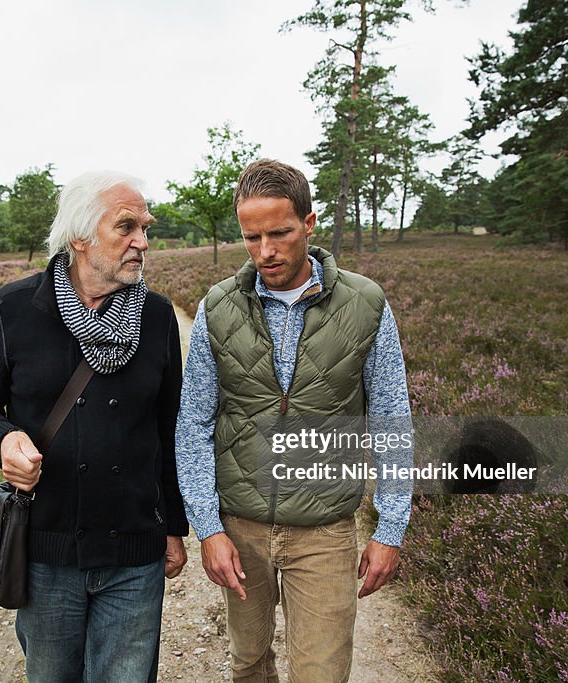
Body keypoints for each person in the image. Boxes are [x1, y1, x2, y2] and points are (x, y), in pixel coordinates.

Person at [176, 159, 413, 682]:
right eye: (251, 237)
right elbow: (193, 422)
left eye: (280, 233)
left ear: (308, 223)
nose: (266, 251)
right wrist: (208, 528)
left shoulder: (367, 303)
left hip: (325, 531)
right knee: (249, 664)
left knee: (322, 673)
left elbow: (392, 418)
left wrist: (391, 527)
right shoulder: (217, 307)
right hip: (240, 529)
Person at [0, 170, 189, 682]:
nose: (142, 242)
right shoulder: (15, 309)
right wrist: (4, 438)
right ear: (80, 237)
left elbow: (170, 428)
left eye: (145, 228)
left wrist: (174, 526)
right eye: (126, 227)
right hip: (48, 552)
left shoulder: (156, 316)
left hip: (134, 552)